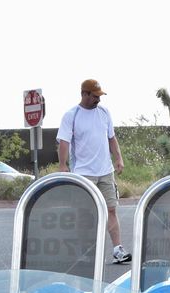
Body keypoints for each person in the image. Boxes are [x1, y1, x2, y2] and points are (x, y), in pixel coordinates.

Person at [57, 78, 130, 263]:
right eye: (95, 96)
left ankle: (118, 250)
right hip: (83, 173)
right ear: (84, 94)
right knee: (85, 214)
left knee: (111, 210)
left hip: (105, 171)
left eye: (100, 96)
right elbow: (64, 142)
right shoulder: (71, 115)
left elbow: (111, 138)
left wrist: (118, 158)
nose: (98, 99)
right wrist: (63, 165)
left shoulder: (104, 113)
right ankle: (83, 252)